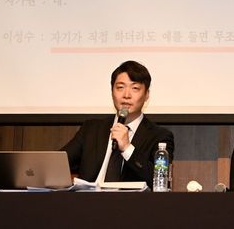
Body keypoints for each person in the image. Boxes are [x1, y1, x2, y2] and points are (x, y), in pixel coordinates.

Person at [62, 60, 174, 188]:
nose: (126, 95)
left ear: (146, 94)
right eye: (120, 87)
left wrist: (127, 148)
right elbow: (59, 164)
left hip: (130, 200)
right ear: (112, 91)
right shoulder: (91, 129)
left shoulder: (160, 136)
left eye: (135, 88)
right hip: (89, 198)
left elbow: (160, 180)